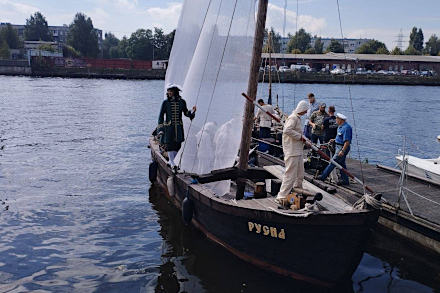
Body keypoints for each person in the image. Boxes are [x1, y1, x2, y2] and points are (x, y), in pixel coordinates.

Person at [275, 100, 309, 203]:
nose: (306, 112)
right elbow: (287, 130)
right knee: (290, 175)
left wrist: (305, 139)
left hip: (298, 151)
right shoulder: (293, 118)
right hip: (292, 151)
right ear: (302, 109)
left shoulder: (297, 118)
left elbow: (297, 133)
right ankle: (281, 196)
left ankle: (297, 191)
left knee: (300, 174)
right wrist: (300, 137)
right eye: (305, 110)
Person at [157, 84, 196, 169]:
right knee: (170, 144)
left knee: (177, 144)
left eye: (171, 91)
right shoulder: (165, 102)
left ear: (175, 92)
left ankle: (172, 161)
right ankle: (172, 162)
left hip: (178, 127)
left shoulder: (182, 102)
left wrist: (192, 112)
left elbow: (186, 113)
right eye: (168, 91)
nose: (169, 92)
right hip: (169, 127)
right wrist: (160, 128)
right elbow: (160, 116)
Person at [318, 113, 352, 185]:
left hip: (342, 147)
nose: (336, 120)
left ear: (341, 120)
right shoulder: (340, 127)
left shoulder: (346, 128)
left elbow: (347, 141)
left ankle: (323, 176)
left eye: (337, 118)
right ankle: (345, 180)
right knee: (342, 164)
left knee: (333, 162)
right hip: (338, 146)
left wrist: (342, 150)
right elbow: (340, 137)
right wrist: (334, 140)